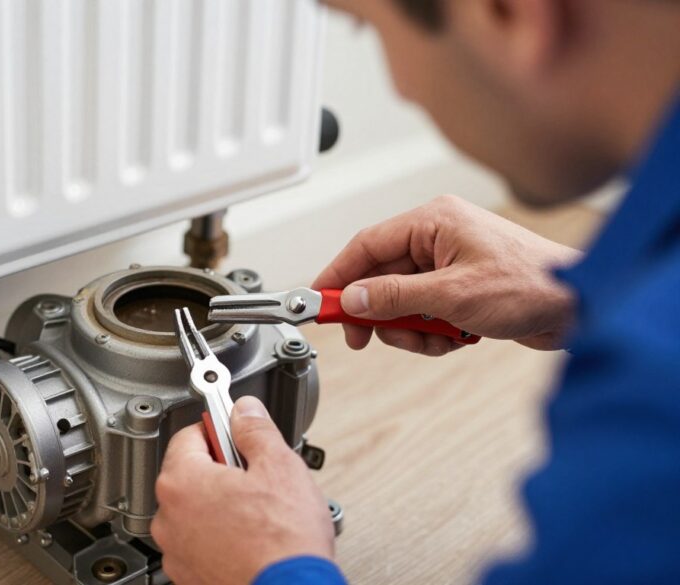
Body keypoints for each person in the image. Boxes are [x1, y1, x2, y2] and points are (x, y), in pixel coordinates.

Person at [150, 0, 680, 583]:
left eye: (370, 26)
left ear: (510, 14)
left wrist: (269, 566)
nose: (399, 91)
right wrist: (578, 293)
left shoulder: (650, 398)